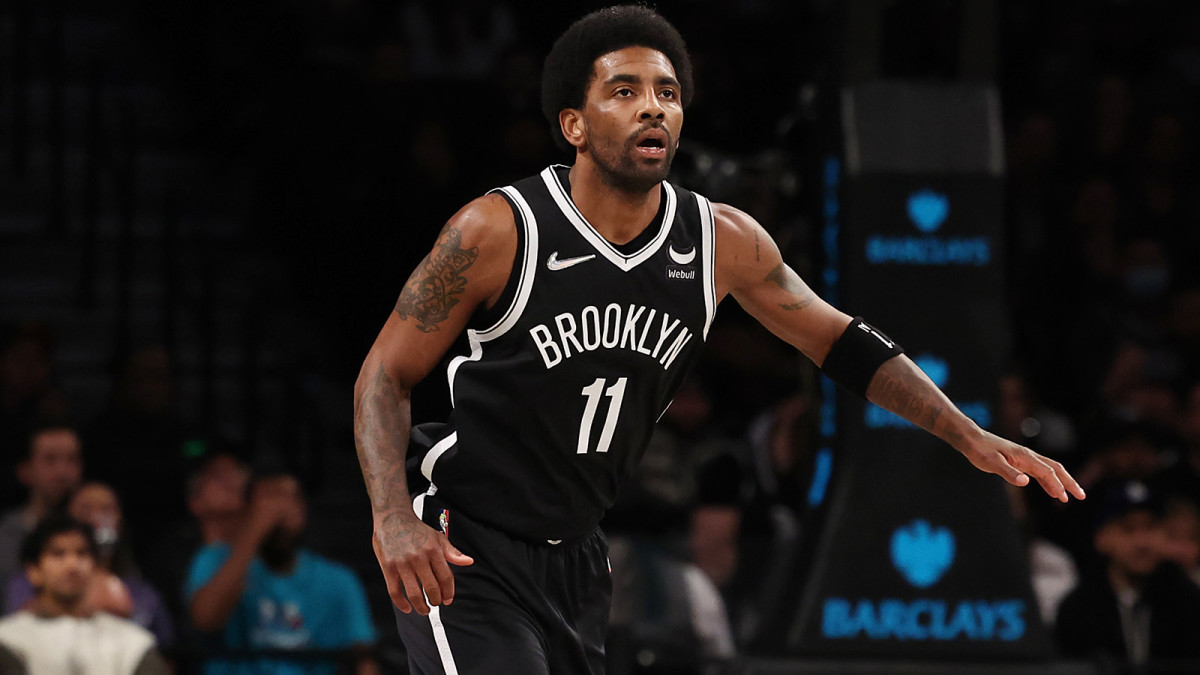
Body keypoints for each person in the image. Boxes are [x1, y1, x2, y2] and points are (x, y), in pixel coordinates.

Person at [351, 6, 1087, 674]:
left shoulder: (720, 241)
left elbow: (841, 342)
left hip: (577, 555)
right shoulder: (497, 230)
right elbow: (384, 374)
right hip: (462, 539)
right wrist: (392, 518)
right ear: (574, 124)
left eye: (668, 93)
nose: (654, 109)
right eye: (626, 91)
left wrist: (964, 433)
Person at [185, 473, 378, 675]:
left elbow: (365, 658)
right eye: (268, 499)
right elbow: (205, 619)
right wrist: (255, 530)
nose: (279, 509)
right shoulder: (215, 559)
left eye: (291, 498)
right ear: (248, 508)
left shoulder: (338, 580)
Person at [4, 482, 175, 646]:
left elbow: (165, 653)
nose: (96, 518)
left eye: (106, 510)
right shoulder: (27, 583)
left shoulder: (143, 593)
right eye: (85, 509)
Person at [1054, 480, 1200, 666]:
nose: (1142, 542)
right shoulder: (1078, 609)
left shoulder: (1189, 601)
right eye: (1128, 529)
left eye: (1150, 527)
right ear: (1102, 537)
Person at [0, 515, 168, 675]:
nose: (72, 565)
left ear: (96, 568)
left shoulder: (133, 644)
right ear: (34, 571)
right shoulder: (9, 640)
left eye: (82, 553)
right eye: (58, 554)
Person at [0, 423, 83, 610]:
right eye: (50, 460)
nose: (62, 471)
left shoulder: (90, 530)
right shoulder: (6, 536)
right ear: (25, 471)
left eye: (72, 459)